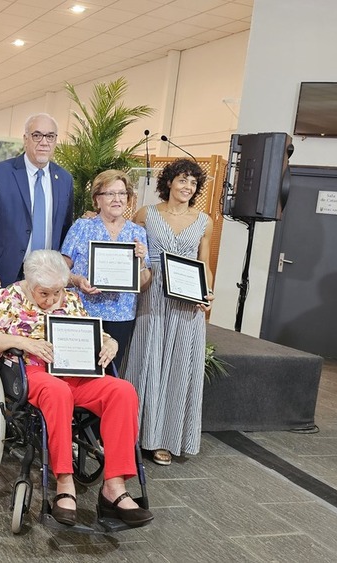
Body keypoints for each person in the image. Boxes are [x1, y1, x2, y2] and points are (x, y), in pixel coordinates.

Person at [0, 250, 153, 527]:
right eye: (43, 293)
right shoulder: (11, 297)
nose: (50, 300)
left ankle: (114, 489)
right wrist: (24, 343)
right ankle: (64, 483)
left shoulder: (70, 297)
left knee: (123, 391)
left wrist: (110, 343)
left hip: (76, 372)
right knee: (57, 392)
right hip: (32, 374)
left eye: (56, 293)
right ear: (29, 282)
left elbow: (89, 331)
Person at [122, 158, 214, 466]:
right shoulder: (147, 214)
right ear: (169, 182)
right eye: (182, 180)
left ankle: (166, 439)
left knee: (179, 365)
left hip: (187, 302)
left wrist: (206, 294)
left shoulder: (204, 220)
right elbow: (128, 247)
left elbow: (205, 265)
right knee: (146, 359)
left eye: (193, 183)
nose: (188, 187)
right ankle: (133, 435)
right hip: (153, 294)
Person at [0, 113, 74, 340]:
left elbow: (66, 229)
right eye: (37, 135)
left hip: (43, 281)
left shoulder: (64, 179)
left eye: (50, 136)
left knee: (34, 345)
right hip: (1, 276)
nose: (43, 141)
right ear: (25, 138)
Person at [60, 170, 150, 363]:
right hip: (83, 312)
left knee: (111, 375)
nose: (117, 199)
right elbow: (59, 273)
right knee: (80, 371)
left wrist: (141, 263)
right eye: (109, 193)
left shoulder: (138, 233)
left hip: (122, 316)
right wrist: (77, 280)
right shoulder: (82, 227)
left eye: (122, 193)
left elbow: (143, 285)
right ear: (97, 199)